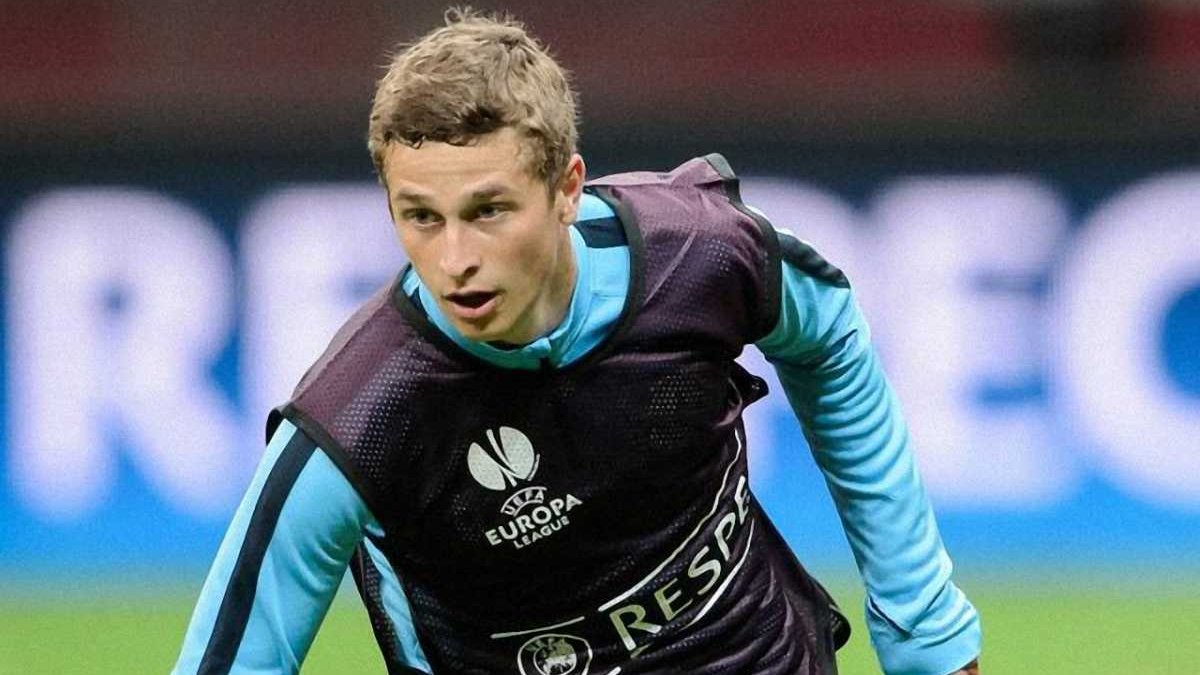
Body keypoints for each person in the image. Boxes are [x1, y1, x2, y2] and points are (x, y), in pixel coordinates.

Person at [173, 8, 981, 675]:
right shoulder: (357, 421)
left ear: (566, 188)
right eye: (421, 217)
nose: (455, 258)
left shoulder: (699, 254)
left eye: (489, 210)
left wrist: (924, 627)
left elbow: (829, 334)